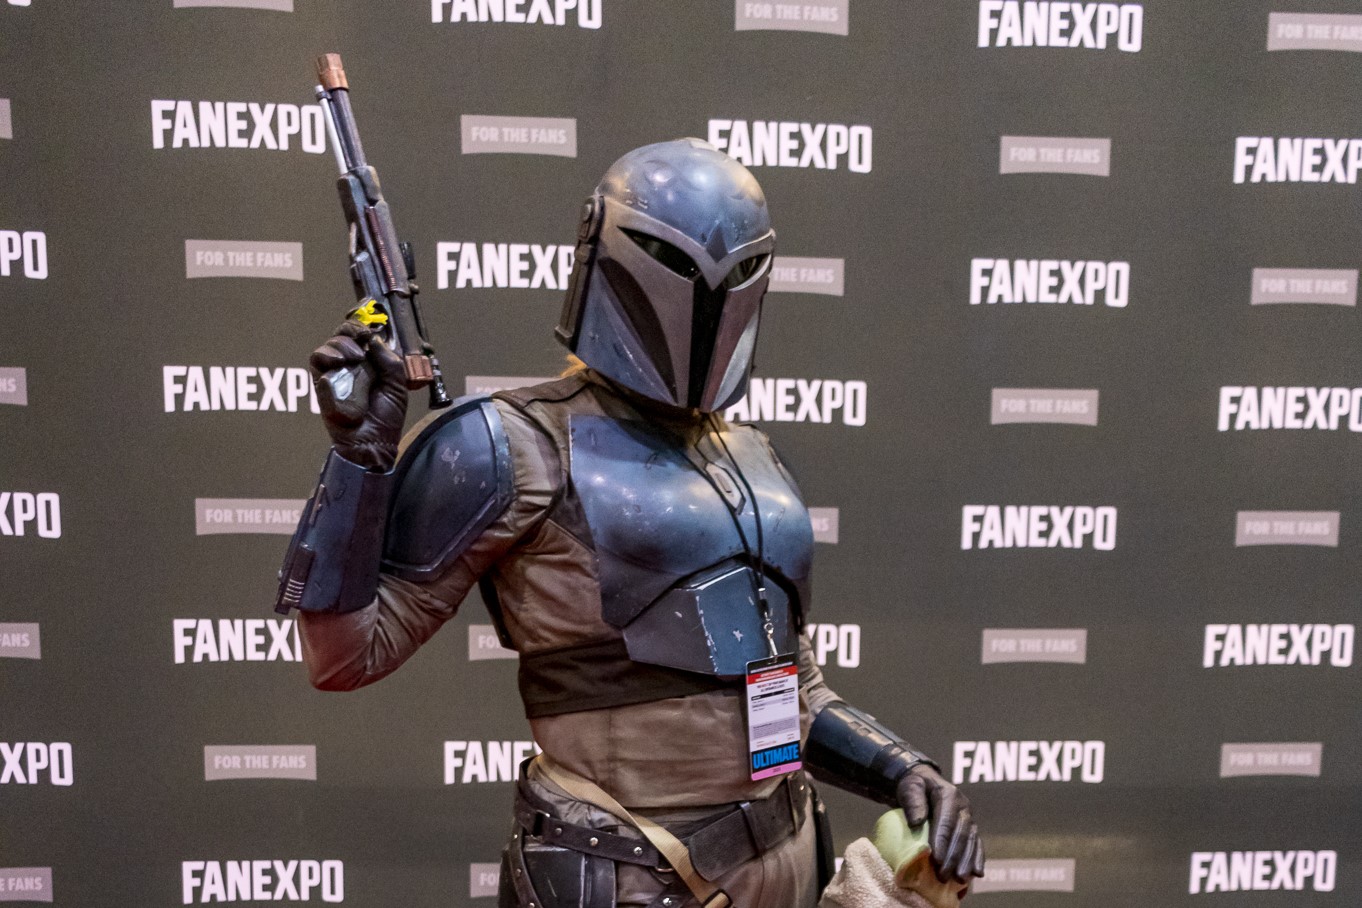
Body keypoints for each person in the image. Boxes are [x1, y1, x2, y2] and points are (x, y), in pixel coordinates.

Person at [276, 138, 984, 908]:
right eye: (672, 262)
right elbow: (343, 655)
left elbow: (784, 688)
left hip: (789, 862)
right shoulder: (511, 444)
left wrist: (901, 769)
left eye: (737, 270)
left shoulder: (752, 460)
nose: (705, 295)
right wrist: (359, 463)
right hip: (632, 876)